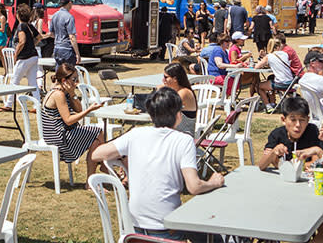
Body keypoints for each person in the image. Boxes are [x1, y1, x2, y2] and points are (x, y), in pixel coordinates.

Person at [90, 87, 224, 240]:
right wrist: (214, 182)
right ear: (178, 115)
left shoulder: (135, 135)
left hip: (134, 231)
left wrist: (123, 159)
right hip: (168, 229)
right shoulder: (183, 140)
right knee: (213, 235)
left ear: (150, 115)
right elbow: (194, 186)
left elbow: (96, 154)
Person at [41, 62, 104, 179]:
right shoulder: (58, 94)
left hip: (63, 131)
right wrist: (89, 110)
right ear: (64, 80)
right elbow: (69, 120)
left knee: (96, 141)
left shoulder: (64, 92)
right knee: (98, 133)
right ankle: (103, 167)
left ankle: (92, 178)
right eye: (74, 80)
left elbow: (79, 109)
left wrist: (72, 94)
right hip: (58, 135)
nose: (77, 83)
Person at [257, 96, 323, 171]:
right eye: (293, 120)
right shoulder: (276, 135)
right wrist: (273, 152)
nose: (298, 125)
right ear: (283, 120)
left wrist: (289, 166)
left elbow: (316, 162)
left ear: (307, 120)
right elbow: (262, 166)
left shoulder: (312, 132)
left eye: (302, 120)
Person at [4, 4, 40, 111]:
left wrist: (16, 54)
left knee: (14, 80)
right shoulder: (29, 25)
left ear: (18, 15)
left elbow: (22, 41)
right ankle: (37, 105)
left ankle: (9, 104)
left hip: (24, 57)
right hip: (33, 56)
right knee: (33, 82)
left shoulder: (21, 26)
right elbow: (39, 37)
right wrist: (32, 44)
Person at [161, 62, 197, 136]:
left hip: (183, 136)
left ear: (175, 79)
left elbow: (165, 108)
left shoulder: (184, 93)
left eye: (166, 77)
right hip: (173, 134)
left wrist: (160, 92)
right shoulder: (176, 91)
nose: (163, 80)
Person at [50, 0, 80, 65]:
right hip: (67, 49)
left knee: (59, 70)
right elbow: (72, 37)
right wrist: (77, 54)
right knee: (69, 70)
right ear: (69, 3)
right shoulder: (69, 17)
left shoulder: (54, 15)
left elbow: (51, 34)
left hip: (57, 48)